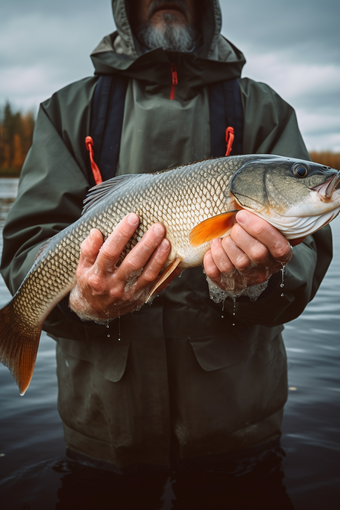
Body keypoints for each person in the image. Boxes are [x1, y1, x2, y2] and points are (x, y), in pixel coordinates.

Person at [0, 0, 332, 474]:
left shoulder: (267, 109)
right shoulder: (66, 110)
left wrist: (260, 279)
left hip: (239, 422)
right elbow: (25, 244)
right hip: (103, 426)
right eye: (302, 175)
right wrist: (81, 302)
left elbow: (306, 264)